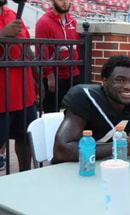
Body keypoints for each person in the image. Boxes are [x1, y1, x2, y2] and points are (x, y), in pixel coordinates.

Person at [52, 55, 130, 163]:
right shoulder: (84, 97)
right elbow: (61, 151)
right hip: (77, 168)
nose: (128, 86)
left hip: (111, 168)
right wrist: (117, 147)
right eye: (120, 80)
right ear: (105, 81)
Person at [0, 0, 40, 171]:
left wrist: (38, 79)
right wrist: (2, 34)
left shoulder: (12, 14)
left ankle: (25, 177)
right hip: (1, 98)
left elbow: (26, 49)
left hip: (24, 96)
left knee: (25, 140)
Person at [35, 0, 80, 113]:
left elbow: (78, 48)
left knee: (74, 112)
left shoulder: (73, 22)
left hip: (72, 74)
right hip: (54, 77)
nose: (65, 2)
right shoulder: (43, 22)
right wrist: (49, 74)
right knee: (51, 113)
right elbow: (42, 51)